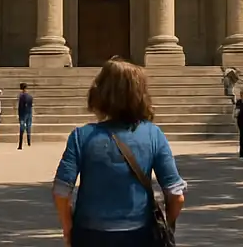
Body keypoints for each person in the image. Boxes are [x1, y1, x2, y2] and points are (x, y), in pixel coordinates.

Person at [53, 58, 186, 247]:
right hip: (139, 235)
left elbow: (61, 192)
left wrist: (68, 230)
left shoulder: (81, 136)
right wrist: (168, 227)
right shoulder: (153, 134)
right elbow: (176, 195)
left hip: (89, 235)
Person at [18, 82, 34, 149]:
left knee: (22, 128)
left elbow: (20, 106)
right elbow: (31, 105)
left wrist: (19, 114)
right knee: (28, 127)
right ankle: (29, 141)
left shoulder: (21, 96)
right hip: (29, 112)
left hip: (23, 113)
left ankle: (20, 144)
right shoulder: (30, 96)